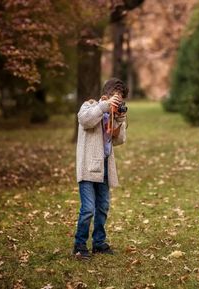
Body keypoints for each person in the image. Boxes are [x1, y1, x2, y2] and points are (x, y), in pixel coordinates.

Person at [73, 78, 128, 259]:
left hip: (104, 165)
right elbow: (84, 120)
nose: (117, 103)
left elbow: (119, 140)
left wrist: (119, 119)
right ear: (106, 96)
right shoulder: (89, 106)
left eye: (120, 100)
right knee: (88, 208)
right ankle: (80, 245)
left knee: (103, 206)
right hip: (88, 166)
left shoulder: (113, 114)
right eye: (115, 99)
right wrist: (104, 106)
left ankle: (98, 243)